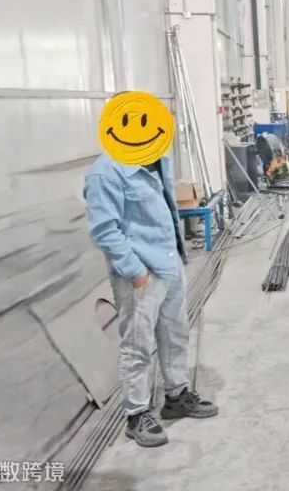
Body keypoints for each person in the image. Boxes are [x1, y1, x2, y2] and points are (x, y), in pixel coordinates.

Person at [85, 154, 219, 448]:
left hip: (169, 263)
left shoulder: (157, 158)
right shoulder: (105, 172)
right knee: (138, 344)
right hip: (140, 273)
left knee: (176, 333)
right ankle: (136, 414)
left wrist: (178, 256)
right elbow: (104, 230)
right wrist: (135, 271)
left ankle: (176, 395)